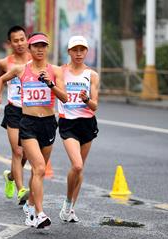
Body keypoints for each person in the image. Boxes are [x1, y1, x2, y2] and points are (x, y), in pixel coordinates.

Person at [0, 32, 67, 229]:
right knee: (40, 167)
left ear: (47, 48)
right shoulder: (20, 69)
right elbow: (0, 80)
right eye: (36, 46)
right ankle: (40, 213)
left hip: (48, 123)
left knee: (37, 172)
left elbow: (65, 98)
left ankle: (31, 207)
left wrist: (50, 84)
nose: (40, 49)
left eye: (43, 46)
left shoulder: (56, 71)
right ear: (30, 49)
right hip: (28, 123)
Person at [58, 36, 99, 222]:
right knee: (77, 165)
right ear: (69, 52)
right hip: (68, 122)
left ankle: (71, 209)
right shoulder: (60, 71)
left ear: (86, 52)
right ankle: (67, 203)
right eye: (75, 50)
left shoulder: (92, 75)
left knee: (79, 170)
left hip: (87, 123)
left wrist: (86, 100)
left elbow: (94, 105)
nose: (79, 53)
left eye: (82, 50)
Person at [0, 26, 31, 205]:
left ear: (27, 39)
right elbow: (1, 80)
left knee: (27, 154)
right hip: (13, 110)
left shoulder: (35, 58)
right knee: (18, 151)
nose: (20, 43)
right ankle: (21, 190)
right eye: (16, 40)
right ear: (10, 43)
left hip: (32, 111)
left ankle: (11, 176)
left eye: (22, 39)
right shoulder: (4, 63)